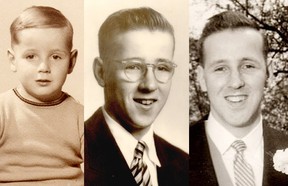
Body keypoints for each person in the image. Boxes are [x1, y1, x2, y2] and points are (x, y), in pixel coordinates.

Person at [85, 7, 188, 186]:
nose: (149, 85)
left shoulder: (184, 165)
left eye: (162, 68)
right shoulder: (74, 157)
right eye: (133, 67)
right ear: (101, 72)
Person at [190, 11, 288, 186]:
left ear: (269, 73)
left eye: (248, 66)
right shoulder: (169, 157)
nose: (236, 82)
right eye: (220, 68)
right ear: (201, 79)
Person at [0, 6, 83, 185]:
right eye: (31, 56)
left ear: (71, 61)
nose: (43, 67)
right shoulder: (3, 109)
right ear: (13, 60)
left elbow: (101, 171)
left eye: (55, 57)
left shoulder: (80, 116)